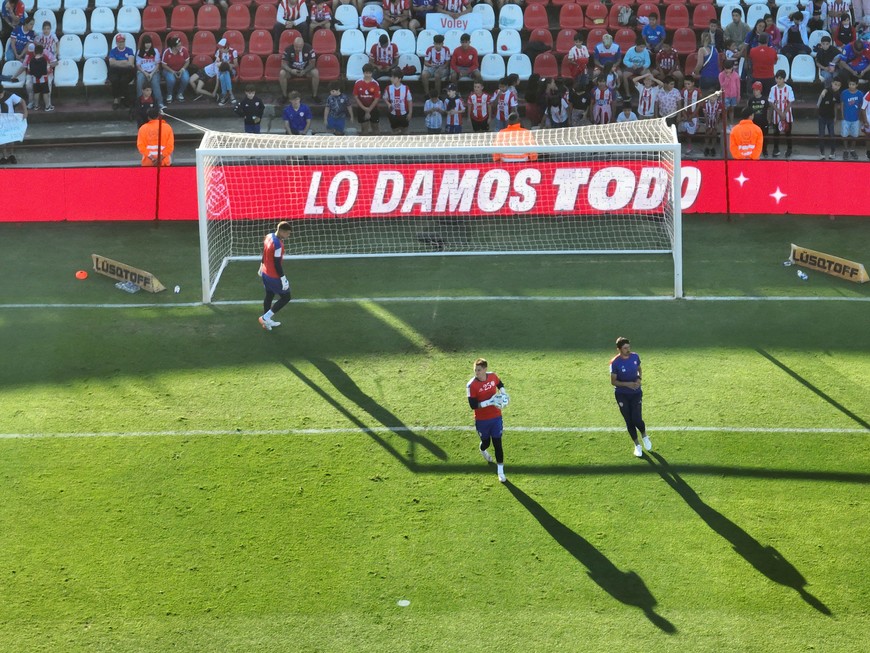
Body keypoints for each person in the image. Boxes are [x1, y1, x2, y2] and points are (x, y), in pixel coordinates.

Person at [466, 357, 509, 483]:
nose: (477, 373)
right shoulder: (471, 385)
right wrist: (489, 402)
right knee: (486, 443)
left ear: (485, 369)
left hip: (496, 417)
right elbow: (473, 405)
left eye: (479, 370)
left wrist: (504, 393)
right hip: (482, 420)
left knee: (498, 444)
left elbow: (500, 384)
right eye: (475, 370)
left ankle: (500, 472)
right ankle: (482, 449)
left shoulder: (493, 376)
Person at [610, 336, 651, 459]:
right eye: (625, 348)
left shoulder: (635, 357)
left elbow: (639, 369)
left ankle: (644, 436)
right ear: (619, 349)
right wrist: (628, 384)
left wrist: (639, 378)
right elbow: (613, 381)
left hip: (636, 393)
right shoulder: (614, 363)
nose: (628, 350)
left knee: (637, 419)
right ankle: (637, 445)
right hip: (622, 394)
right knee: (629, 420)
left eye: (629, 347)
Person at [258, 221, 294, 332]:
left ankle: (266, 322)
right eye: (287, 233)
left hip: (265, 273)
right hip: (273, 276)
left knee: (269, 295)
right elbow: (277, 263)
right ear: (281, 231)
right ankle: (265, 318)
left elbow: (264, 252)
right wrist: (283, 278)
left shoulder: (269, 236)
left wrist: (261, 265)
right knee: (286, 297)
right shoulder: (278, 245)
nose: (288, 235)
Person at [280, 36, 320, 103]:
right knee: (282, 73)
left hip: (305, 70)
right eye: (296, 47)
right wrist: (290, 70)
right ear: (293, 44)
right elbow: (283, 64)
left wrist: (305, 71)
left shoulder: (309, 48)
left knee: (315, 72)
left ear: (303, 45)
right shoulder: (288, 49)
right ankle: (284, 96)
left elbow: (312, 63)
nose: (298, 49)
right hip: (292, 71)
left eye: (300, 47)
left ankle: (315, 96)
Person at [768, 70, 795, 157]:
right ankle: (776, 149)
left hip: (787, 114)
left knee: (788, 132)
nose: (778, 80)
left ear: (784, 79)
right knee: (776, 133)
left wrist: (784, 113)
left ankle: (789, 149)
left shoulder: (788, 88)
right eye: (777, 78)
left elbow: (790, 101)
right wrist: (779, 112)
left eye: (780, 79)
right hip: (776, 115)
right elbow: (771, 102)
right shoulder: (773, 89)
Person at [0, 81, 27, 164]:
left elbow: (22, 101)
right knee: (1, 139)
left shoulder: (10, 95)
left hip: (10, 120)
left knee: (11, 138)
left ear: (3, 92)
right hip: (0, 121)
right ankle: (4, 156)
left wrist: (25, 112)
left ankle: (11, 155)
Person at [107, 34, 136, 110]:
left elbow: (131, 63)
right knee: (115, 80)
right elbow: (111, 63)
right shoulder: (113, 51)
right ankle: (116, 99)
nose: (121, 43)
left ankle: (124, 98)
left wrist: (117, 62)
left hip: (127, 71)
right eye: (119, 42)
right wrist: (124, 62)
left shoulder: (129, 50)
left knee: (124, 80)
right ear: (116, 43)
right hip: (115, 70)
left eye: (122, 41)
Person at [136, 35, 164, 109]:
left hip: (154, 71)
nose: (148, 45)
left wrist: (151, 73)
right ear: (143, 44)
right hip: (142, 71)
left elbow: (157, 64)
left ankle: (160, 103)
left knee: (155, 83)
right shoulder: (139, 52)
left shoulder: (155, 51)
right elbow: (138, 65)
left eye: (149, 43)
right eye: (146, 43)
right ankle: (140, 103)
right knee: (139, 81)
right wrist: (145, 73)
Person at [352, 63, 380, 135]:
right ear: (363, 73)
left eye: (369, 73)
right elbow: (356, 97)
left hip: (373, 108)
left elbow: (376, 98)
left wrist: (369, 110)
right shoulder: (358, 83)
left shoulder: (375, 83)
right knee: (364, 129)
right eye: (366, 73)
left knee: (375, 128)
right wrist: (365, 109)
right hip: (362, 108)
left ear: (372, 73)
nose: (368, 75)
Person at [24, 44, 53, 111]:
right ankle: (47, 107)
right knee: (45, 93)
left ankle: (36, 106)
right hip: (44, 79)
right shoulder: (44, 60)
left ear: (34, 52)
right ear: (42, 52)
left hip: (35, 80)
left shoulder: (31, 60)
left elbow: (29, 70)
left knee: (36, 92)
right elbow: (48, 70)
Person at [817, 79, 841, 159]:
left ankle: (833, 152)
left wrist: (835, 117)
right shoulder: (826, 90)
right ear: (832, 83)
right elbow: (819, 102)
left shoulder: (837, 94)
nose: (836, 86)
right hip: (822, 117)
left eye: (838, 85)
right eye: (835, 84)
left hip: (831, 118)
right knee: (821, 135)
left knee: (832, 135)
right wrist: (822, 93)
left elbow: (836, 106)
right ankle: (822, 153)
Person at [383, 68, 412, 134]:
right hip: (393, 114)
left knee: (405, 131)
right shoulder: (388, 88)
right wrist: (388, 104)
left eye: (394, 77)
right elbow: (385, 98)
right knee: (394, 131)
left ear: (399, 79)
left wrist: (410, 113)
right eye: (391, 77)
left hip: (403, 113)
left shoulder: (405, 88)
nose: (392, 79)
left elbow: (409, 101)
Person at [840, 77, 863, 159]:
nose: (851, 86)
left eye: (853, 84)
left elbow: (861, 105)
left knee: (855, 136)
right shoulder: (844, 93)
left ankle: (852, 150)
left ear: (857, 85)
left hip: (855, 119)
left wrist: (859, 116)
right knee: (844, 135)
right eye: (850, 84)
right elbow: (842, 104)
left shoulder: (860, 94)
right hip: (846, 118)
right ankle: (845, 150)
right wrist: (842, 115)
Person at [162, 36, 190, 104]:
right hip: (169, 70)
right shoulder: (167, 52)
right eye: (178, 46)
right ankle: (169, 94)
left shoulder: (184, 50)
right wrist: (173, 72)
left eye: (180, 45)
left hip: (181, 69)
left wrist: (182, 70)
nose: (180, 47)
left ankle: (180, 93)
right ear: (173, 46)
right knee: (171, 80)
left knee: (186, 78)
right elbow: (163, 65)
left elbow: (187, 61)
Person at [749, 33, 778, 98]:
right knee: (768, 98)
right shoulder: (773, 51)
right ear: (767, 41)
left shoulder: (752, 51)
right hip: (769, 78)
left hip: (756, 77)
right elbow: (775, 62)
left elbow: (751, 60)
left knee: (757, 98)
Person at [746, 80, 770, 156]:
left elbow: (768, 110)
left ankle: (764, 150)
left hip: (763, 121)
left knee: (764, 137)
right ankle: (754, 151)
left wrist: (768, 120)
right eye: (754, 90)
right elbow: (748, 110)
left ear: (760, 90)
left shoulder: (765, 100)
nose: (755, 91)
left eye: (756, 90)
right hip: (753, 122)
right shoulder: (751, 100)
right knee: (753, 137)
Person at [214, 38, 239, 106]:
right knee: (223, 76)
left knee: (225, 73)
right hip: (221, 71)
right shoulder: (219, 52)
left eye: (221, 48)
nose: (219, 49)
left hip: (231, 70)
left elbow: (235, 65)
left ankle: (224, 96)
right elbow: (217, 63)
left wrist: (226, 65)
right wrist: (219, 61)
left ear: (226, 48)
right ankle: (230, 94)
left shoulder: (233, 52)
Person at [679, 77, 700, 154]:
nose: (687, 85)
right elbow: (681, 104)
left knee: (691, 131)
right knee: (682, 128)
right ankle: (682, 145)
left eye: (688, 84)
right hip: (685, 114)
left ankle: (689, 145)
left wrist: (693, 115)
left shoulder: (697, 91)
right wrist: (684, 114)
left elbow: (699, 104)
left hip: (694, 115)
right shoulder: (683, 91)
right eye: (685, 84)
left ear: (693, 83)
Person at [718, 59, 741, 127]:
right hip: (725, 95)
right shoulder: (721, 75)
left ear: (732, 68)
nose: (728, 70)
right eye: (726, 69)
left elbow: (738, 87)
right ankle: (725, 125)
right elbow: (722, 86)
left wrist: (738, 96)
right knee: (725, 111)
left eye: (729, 69)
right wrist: (727, 78)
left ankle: (731, 124)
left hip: (733, 95)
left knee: (731, 109)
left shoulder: (736, 75)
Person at [702, 92, 723, 156]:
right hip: (708, 119)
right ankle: (706, 148)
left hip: (715, 119)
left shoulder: (719, 104)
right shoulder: (705, 103)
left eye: (714, 97)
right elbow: (705, 115)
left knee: (714, 133)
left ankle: (713, 148)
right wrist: (707, 124)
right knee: (707, 133)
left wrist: (715, 125)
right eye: (710, 96)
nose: (712, 98)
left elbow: (718, 115)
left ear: (717, 97)